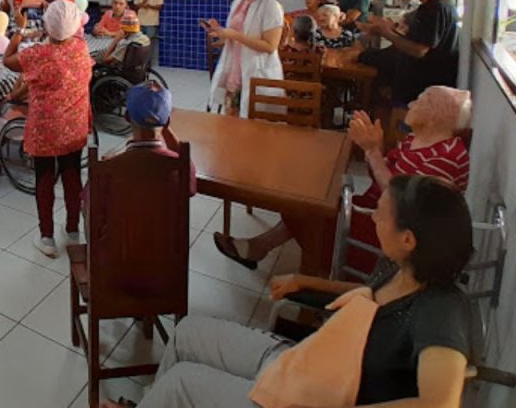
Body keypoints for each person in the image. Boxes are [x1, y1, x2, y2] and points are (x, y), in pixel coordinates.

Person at [108, 175, 475, 408]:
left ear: (408, 238)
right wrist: (307, 282)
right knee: (187, 332)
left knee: (180, 381)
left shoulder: (441, 310)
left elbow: (439, 403)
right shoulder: (399, 266)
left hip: (311, 397)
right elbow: (368, 297)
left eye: (381, 213)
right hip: (300, 360)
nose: (372, 216)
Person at [214, 85, 471, 269]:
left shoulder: (444, 157)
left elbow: (403, 200)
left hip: (393, 236)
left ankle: (314, 279)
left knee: (304, 205)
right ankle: (259, 248)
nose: (413, 104)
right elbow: (384, 181)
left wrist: (372, 150)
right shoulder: (419, 140)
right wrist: (376, 150)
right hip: (376, 211)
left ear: (438, 115)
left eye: (421, 101)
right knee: (304, 198)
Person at [3, 0, 93, 257]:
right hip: (73, 128)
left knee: (44, 179)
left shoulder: (37, 55)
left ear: (46, 26)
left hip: (44, 130)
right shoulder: (81, 48)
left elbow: (8, 60)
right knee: (72, 176)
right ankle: (73, 230)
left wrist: (19, 31)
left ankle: (47, 238)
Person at [360, 0, 460, 107]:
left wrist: (386, 33)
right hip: (413, 86)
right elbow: (416, 39)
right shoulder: (429, 7)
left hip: (423, 89)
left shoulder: (438, 8)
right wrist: (393, 29)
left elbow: (419, 50)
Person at [203, 0, 285, 117]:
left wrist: (234, 35)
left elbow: (270, 46)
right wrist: (221, 34)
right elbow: (234, 37)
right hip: (234, 73)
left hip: (257, 72)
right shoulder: (237, 3)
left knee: (254, 128)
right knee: (231, 124)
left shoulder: (270, 6)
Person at [105, 81, 197, 195]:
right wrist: (167, 130)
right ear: (167, 121)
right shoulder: (179, 165)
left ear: (127, 116)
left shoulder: (108, 167)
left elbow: (88, 209)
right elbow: (191, 190)